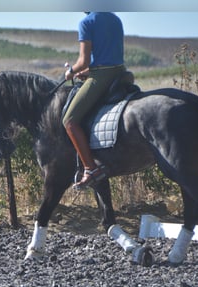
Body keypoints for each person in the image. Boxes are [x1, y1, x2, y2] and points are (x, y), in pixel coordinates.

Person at [63, 12, 125, 190]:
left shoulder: (86, 22)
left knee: (69, 121)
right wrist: (87, 72)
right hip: (120, 73)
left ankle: (91, 169)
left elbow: (83, 61)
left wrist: (71, 72)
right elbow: (109, 56)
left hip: (102, 76)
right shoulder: (115, 18)